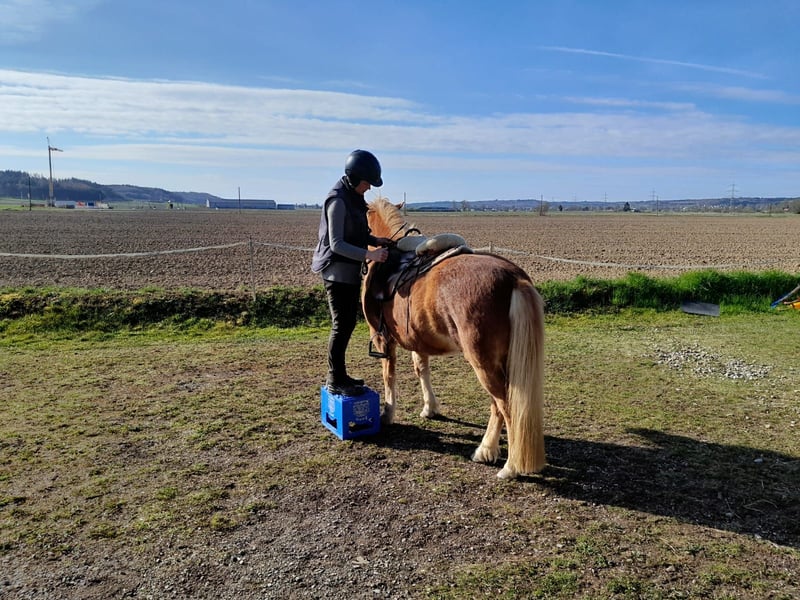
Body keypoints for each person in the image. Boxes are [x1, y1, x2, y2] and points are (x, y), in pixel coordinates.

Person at [311, 149, 391, 396]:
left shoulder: (353, 197)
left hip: (349, 272)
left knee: (346, 325)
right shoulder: (337, 201)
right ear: (355, 178)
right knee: (341, 325)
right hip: (336, 274)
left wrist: (376, 240)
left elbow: (357, 233)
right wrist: (370, 255)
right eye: (367, 182)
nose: (369, 187)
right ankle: (334, 379)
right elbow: (337, 244)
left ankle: (340, 375)